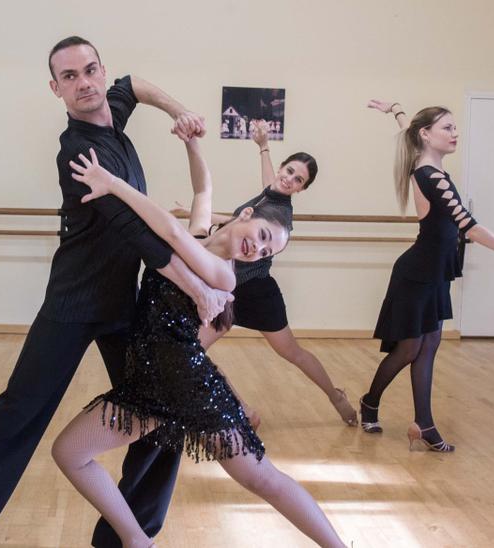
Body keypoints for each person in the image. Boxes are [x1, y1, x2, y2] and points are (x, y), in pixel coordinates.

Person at [0, 36, 230, 548]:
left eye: (90, 71)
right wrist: (198, 288)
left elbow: (135, 86)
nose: (83, 83)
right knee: (13, 424)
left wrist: (180, 110)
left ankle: (127, 537)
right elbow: (137, 233)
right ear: (55, 88)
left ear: (101, 72)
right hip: (74, 306)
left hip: (122, 306)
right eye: (69, 77)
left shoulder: (112, 108)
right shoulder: (78, 150)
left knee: (162, 415)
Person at [54, 138, 347, 548]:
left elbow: (170, 230)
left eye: (266, 251)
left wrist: (113, 183)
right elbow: (203, 189)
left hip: (186, 385)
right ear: (246, 214)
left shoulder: (222, 275)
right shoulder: (202, 237)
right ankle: (137, 541)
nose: (258, 248)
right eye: (262, 234)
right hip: (150, 386)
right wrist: (192, 144)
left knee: (260, 477)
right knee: (69, 452)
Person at [363, 99, 494, 451]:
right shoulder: (430, 177)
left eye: (455, 127)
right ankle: (370, 401)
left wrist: (396, 109)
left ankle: (424, 424)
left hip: (434, 272)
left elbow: (408, 131)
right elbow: (469, 227)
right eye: (447, 128)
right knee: (410, 348)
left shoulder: (425, 166)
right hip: (416, 274)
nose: (455, 133)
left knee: (429, 347)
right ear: (426, 135)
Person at [187, 120, 357, 426]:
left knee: (293, 353)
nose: (290, 179)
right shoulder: (270, 195)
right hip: (229, 291)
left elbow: (254, 231)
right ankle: (243, 411)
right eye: (289, 171)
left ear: (302, 189)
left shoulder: (280, 216)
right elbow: (257, 198)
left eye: (299, 179)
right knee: (194, 349)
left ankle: (335, 395)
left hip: (256, 293)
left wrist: (204, 219)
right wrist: (263, 146)